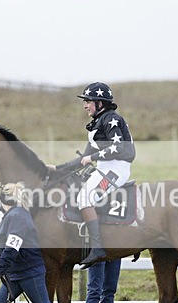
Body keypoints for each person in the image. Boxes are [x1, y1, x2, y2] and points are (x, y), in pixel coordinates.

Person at [48, 82, 136, 268]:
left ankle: (97, 247)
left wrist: (93, 157)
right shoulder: (98, 122)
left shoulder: (112, 119)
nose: (85, 105)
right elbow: (82, 159)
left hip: (116, 169)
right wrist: (58, 169)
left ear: (100, 103)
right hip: (105, 167)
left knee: (85, 198)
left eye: (88, 101)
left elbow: (118, 147)